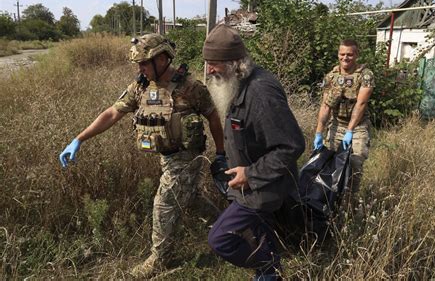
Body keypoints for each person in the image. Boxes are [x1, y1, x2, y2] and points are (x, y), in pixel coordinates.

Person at [59, 34, 225, 278]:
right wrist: (79, 139)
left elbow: (212, 116)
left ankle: (159, 259)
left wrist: (220, 154)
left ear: (162, 59)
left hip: (186, 157)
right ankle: (231, 229)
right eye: (138, 64)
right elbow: (112, 113)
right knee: (190, 199)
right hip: (166, 157)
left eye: (144, 63)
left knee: (164, 203)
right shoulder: (141, 87)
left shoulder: (190, 87)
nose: (140, 69)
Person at [203, 24, 305, 281]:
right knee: (257, 232)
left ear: (234, 62)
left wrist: (250, 173)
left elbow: (291, 145)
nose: (209, 70)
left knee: (221, 239)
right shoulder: (237, 83)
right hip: (247, 184)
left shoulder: (259, 92)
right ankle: (268, 273)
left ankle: (270, 267)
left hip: (264, 186)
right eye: (207, 62)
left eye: (214, 63)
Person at [313, 39, 375, 203]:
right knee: (329, 162)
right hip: (336, 124)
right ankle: (329, 200)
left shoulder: (365, 75)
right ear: (338, 54)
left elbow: (361, 104)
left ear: (356, 55)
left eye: (350, 54)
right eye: (342, 54)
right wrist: (319, 132)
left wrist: (350, 131)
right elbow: (325, 106)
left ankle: (350, 201)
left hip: (358, 127)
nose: (345, 58)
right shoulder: (331, 77)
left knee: (355, 163)